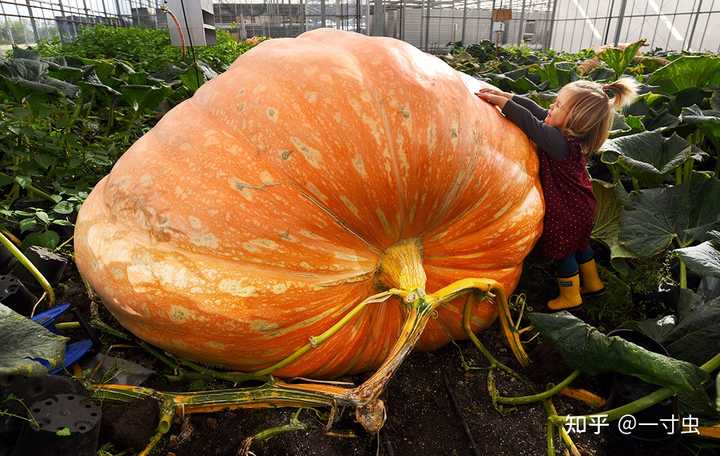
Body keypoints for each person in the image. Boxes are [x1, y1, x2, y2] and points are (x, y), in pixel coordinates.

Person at [475, 78, 638, 310]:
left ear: (574, 120)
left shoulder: (558, 142)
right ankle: (592, 283)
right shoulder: (567, 136)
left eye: (559, 106)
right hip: (582, 205)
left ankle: (570, 295)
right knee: (582, 245)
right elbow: (538, 111)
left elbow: (531, 124)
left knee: (565, 252)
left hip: (567, 210)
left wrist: (504, 104)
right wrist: (509, 97)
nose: (551, 107)